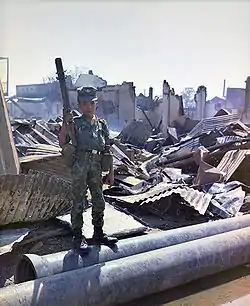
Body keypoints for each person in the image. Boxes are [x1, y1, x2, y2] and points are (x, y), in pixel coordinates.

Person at [59, 86, 118, 251]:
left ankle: (98, 233)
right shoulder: (74, 123)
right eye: (84, 103)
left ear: (96, 104)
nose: (88, 106)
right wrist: (65, 123)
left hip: (96, 165)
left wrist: (111, 172)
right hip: (80, 163)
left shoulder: (102, 125)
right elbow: (62, 141)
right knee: (79, 200)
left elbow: (107, 149)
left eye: (91, 103)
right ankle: (78, 238)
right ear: (79, 105)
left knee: (99, 200)